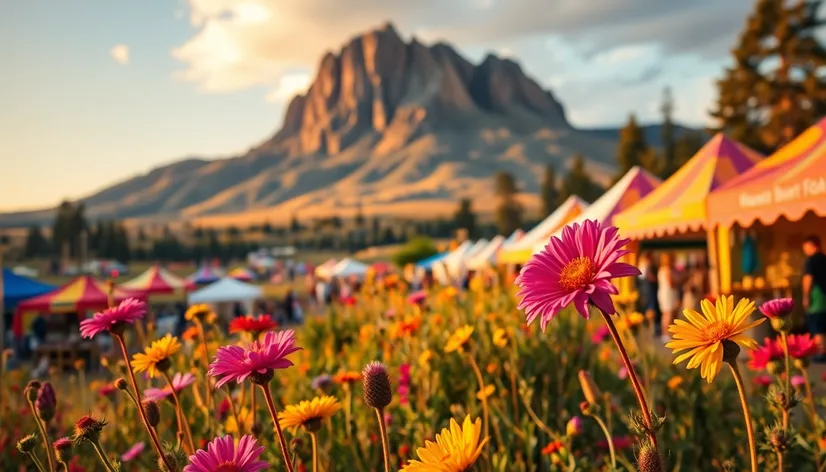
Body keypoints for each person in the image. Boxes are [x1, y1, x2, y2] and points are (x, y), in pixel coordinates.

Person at [802, 235, 826, 362]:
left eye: (805, 247)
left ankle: (821, 353)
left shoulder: (811, 261)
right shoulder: (824, 258)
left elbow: (808, 279)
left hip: (817, 297)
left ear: (812, 245)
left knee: (818, 325)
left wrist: (806, 297)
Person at [657, 253, 681, 343]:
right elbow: (670, 283)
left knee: (670, 313)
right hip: (668, 294)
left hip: (669, 293)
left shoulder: (665, 269)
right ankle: (665, 334)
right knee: (668, 314)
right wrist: (680, 282)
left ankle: (669, 333)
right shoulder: (666, 270)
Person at [638, 252, 661, 331]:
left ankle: (648, 325)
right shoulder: (647, 263)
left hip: (644, 287)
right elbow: (647, 276)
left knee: (647, 304)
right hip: (649, 286)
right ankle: (651, 326)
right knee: (651, 305)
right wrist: (656, 280)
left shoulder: (640, 263)